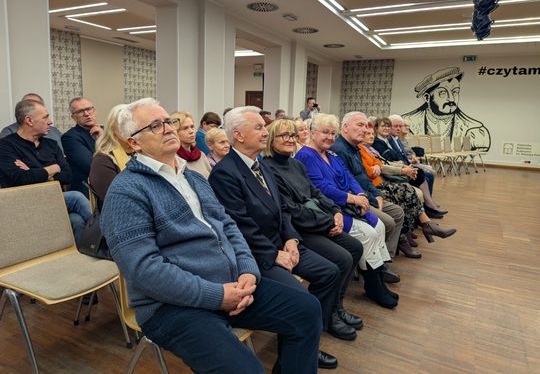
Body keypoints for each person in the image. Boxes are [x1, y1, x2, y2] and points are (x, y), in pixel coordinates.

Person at [100, 98, 322, 374]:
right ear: (134, 143)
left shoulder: (193, 177)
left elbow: (228, 226)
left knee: (307, 310)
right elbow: (144, 270)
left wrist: (248, 271)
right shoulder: (126, 191)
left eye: (168, 121)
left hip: (231, 285)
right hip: (171, 306)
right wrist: (217, 295)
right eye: (155, 126)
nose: (168, 128)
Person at [209, 106, 341, 369]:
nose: (265, 132)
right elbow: (240, 227)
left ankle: (305, 344)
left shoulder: (261, 166)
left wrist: (291, 240)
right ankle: (298, 352)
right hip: (257, 255)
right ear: (238, 135)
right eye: (258, 127)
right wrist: (274, 254)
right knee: (302, 304)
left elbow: (282, 211)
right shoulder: (225, 173)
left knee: (330, 272)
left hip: (281, 244)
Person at [263, 119, 364, 339]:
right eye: (284, 135)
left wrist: (335, 211)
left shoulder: (296, 165)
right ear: (271, 139)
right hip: (299, 229)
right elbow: (291, 210)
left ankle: (336, 306)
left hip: (317, 221)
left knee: (355, 247)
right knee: (342, 259)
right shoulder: (269, 169)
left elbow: (315, 192)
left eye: (293, 135)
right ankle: (327, 316)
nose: (291, 139)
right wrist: (328, 222)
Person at [295, 114, 398, 309]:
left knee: (379, 226)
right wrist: (352, 198)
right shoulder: (306, 156)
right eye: (325, 132)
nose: (330, 137)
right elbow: (320, 187)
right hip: (329, 208)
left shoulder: (331, 154)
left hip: (347, 204)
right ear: (312, 133)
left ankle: (376, 279)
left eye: (333, 134)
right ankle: (373, 284)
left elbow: (349, 176)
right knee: (368, 234)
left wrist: (361, 193)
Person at [0, 99, 90, 243]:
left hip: (53, 198)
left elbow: (68, 175)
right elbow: (20, 178)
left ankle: (88, 251)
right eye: (45, 117)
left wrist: (34, 173)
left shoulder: (51, 144)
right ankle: (112, 237)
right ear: (29, 120)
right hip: (24, 202)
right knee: (76, 197)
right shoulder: (6, 145)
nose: (50, 122)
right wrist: (52, 168)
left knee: (76, 220)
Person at [360, 126, 457, 245]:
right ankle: (415, 230)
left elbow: (380, 163)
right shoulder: (363, 148)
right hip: (376, 184)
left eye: (372, 134)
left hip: (381, 180)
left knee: (413, 185)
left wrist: (401, 166)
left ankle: (423, 224)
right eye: (367, 133)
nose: (371, 136)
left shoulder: (367, 149)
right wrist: (402, 169)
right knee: (406, 191)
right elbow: (372, 170)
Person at [332, 111, 407, 264]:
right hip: (356, 200)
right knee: (388, 222)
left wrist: (377, 194)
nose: (365, 130)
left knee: (398, 212)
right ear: (345, 127)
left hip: (367, 194)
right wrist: (372, 198)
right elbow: (349, 184)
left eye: (366, 126)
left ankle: (385, 257)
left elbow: (364, 177)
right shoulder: (339, 149)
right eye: (360, 125)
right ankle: (375, 262)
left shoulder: (355, 148)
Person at [402, 67, 491, 151]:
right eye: (443, 92)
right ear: (427, 97)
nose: (451, 99)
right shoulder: (407, 124)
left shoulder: (473, 130)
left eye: (455, 91)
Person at [373, 117, 446, 219]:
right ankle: (428, 206)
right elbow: (387, 161)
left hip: (400, 167)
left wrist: (406, 164)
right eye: (383, 126)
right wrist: (403, 167)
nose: (387, 128)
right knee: (420, 173)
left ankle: (428, 205)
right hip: (391, 174)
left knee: (425, 173)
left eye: (388, 126)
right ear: (376, 128)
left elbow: (395, 157)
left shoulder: (386, 141)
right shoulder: (378, 143)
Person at [88, 104, 132, 211]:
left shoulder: (145, 153)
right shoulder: (102, 160)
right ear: (113, 129)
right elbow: (117, 201)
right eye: (124, 124)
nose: (131, 128)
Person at [61, 97, 103, 197]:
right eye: (80, 111)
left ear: (94, 111)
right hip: (88, 191)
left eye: (89, 109)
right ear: (73, 117)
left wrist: (103, 137)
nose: (87, 114)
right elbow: (91, 166)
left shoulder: (106, 132)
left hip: (110, 183)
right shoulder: (70, 137)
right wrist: (102, 140)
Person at [0, 93, 64, 153]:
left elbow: (63, 158)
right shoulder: (8, 132)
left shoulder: (55, 132)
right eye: (27, 104)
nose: (50, 122)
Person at [171, 111, 212, 179]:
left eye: (192, 127)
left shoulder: (201, 155)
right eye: (185, 128)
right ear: (175, 132)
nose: (191, 131)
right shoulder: (173, 158)